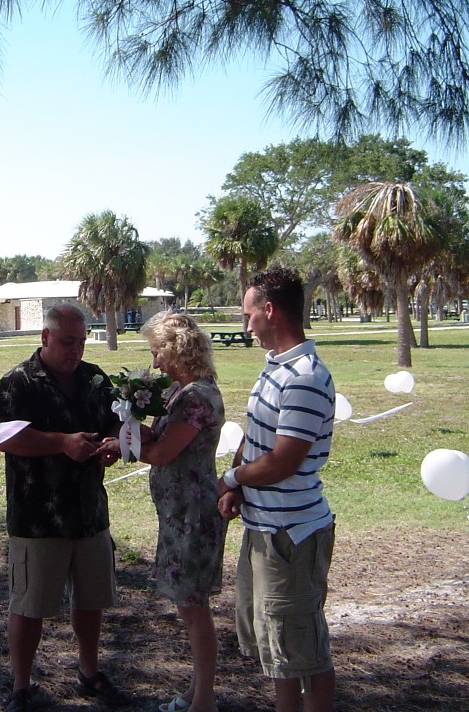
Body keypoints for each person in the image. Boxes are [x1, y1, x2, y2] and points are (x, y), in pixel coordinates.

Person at [0, 304, 133, 712]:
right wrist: (62, 443)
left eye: (82, 342)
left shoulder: (95, 378)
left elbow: (116, 419)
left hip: (90, 513)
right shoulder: (17, 383)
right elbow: (6, 439)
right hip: (38, 517)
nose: (76, 350)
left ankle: (89, 672)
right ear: (45, 337)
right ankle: (21, 686)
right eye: (68, 341)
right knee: (28, 606)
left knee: (91, 601)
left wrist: (114, 441)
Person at [217, 267, 336, 712]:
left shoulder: (304, 377)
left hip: (291, 536)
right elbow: (257, 437)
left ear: (269, 310)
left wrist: (231, 479)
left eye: (249, 315)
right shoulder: (275, 367)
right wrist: (239, 485)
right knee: (277, 650)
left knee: (303, 650)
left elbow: (284, 461)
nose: (246, 325)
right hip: (264, 528)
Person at [133, 311, 226, 712]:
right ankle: (195, 691)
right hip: (177, 513)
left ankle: (204, 700)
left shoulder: (195, 397)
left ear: (177, 350)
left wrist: (126, 439)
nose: (155, 362)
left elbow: (161, 452)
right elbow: (159, 438)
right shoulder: (180, 392)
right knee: (189, 609)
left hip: (193, 516)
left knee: (193, 608)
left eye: (158, 352)